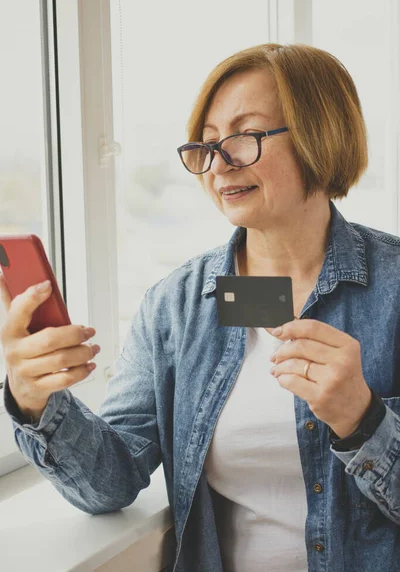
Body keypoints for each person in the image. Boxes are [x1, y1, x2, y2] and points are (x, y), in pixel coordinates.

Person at [1, 43, 400, 572]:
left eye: (243, 136)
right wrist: (34, 401)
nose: (218, 163)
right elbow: (111, 482)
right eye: (206, 145)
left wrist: (362, 419)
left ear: (321, 134)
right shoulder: (174, 306)